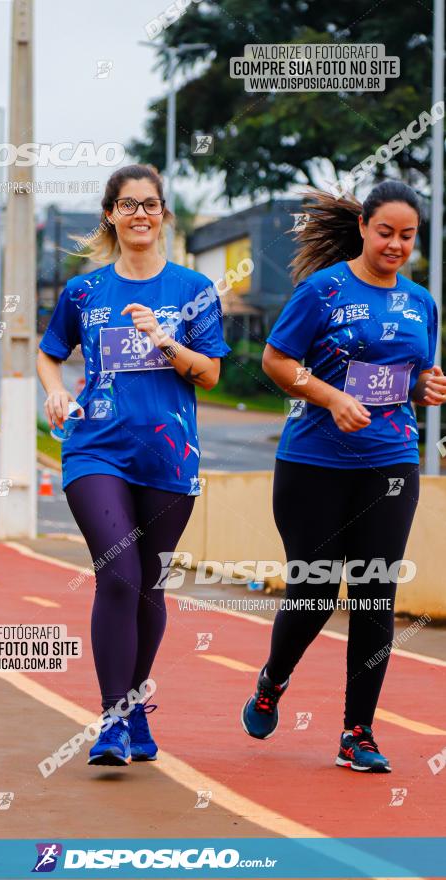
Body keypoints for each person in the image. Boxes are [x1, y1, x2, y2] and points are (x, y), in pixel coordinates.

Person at [241, 181, 443, 772]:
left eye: (408, 236)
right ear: (363, 227)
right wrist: (331, 398)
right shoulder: (323, 290)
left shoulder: (420, 303)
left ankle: (358, 733)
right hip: (313, 465)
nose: (396, 245)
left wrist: (428, 388)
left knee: (377, 592)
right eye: (386, 232)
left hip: (392, 462)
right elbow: (276, 361)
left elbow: (417, 376)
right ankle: (273, 681)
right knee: (315, 592)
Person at [37, 164, 231, 766]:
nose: (139, 214)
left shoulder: (192, 289)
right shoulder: (84, 292)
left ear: (164, 214)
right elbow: (50, 354)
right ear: (111, 216)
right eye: (127, 205)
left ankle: (135, 710)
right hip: (95, 448)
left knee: (149, 586)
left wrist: (165, 340)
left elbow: (212, 374)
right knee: (117, 572)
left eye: (150, 204)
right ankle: (113, 722)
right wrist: (55, 391)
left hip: (170, 458)